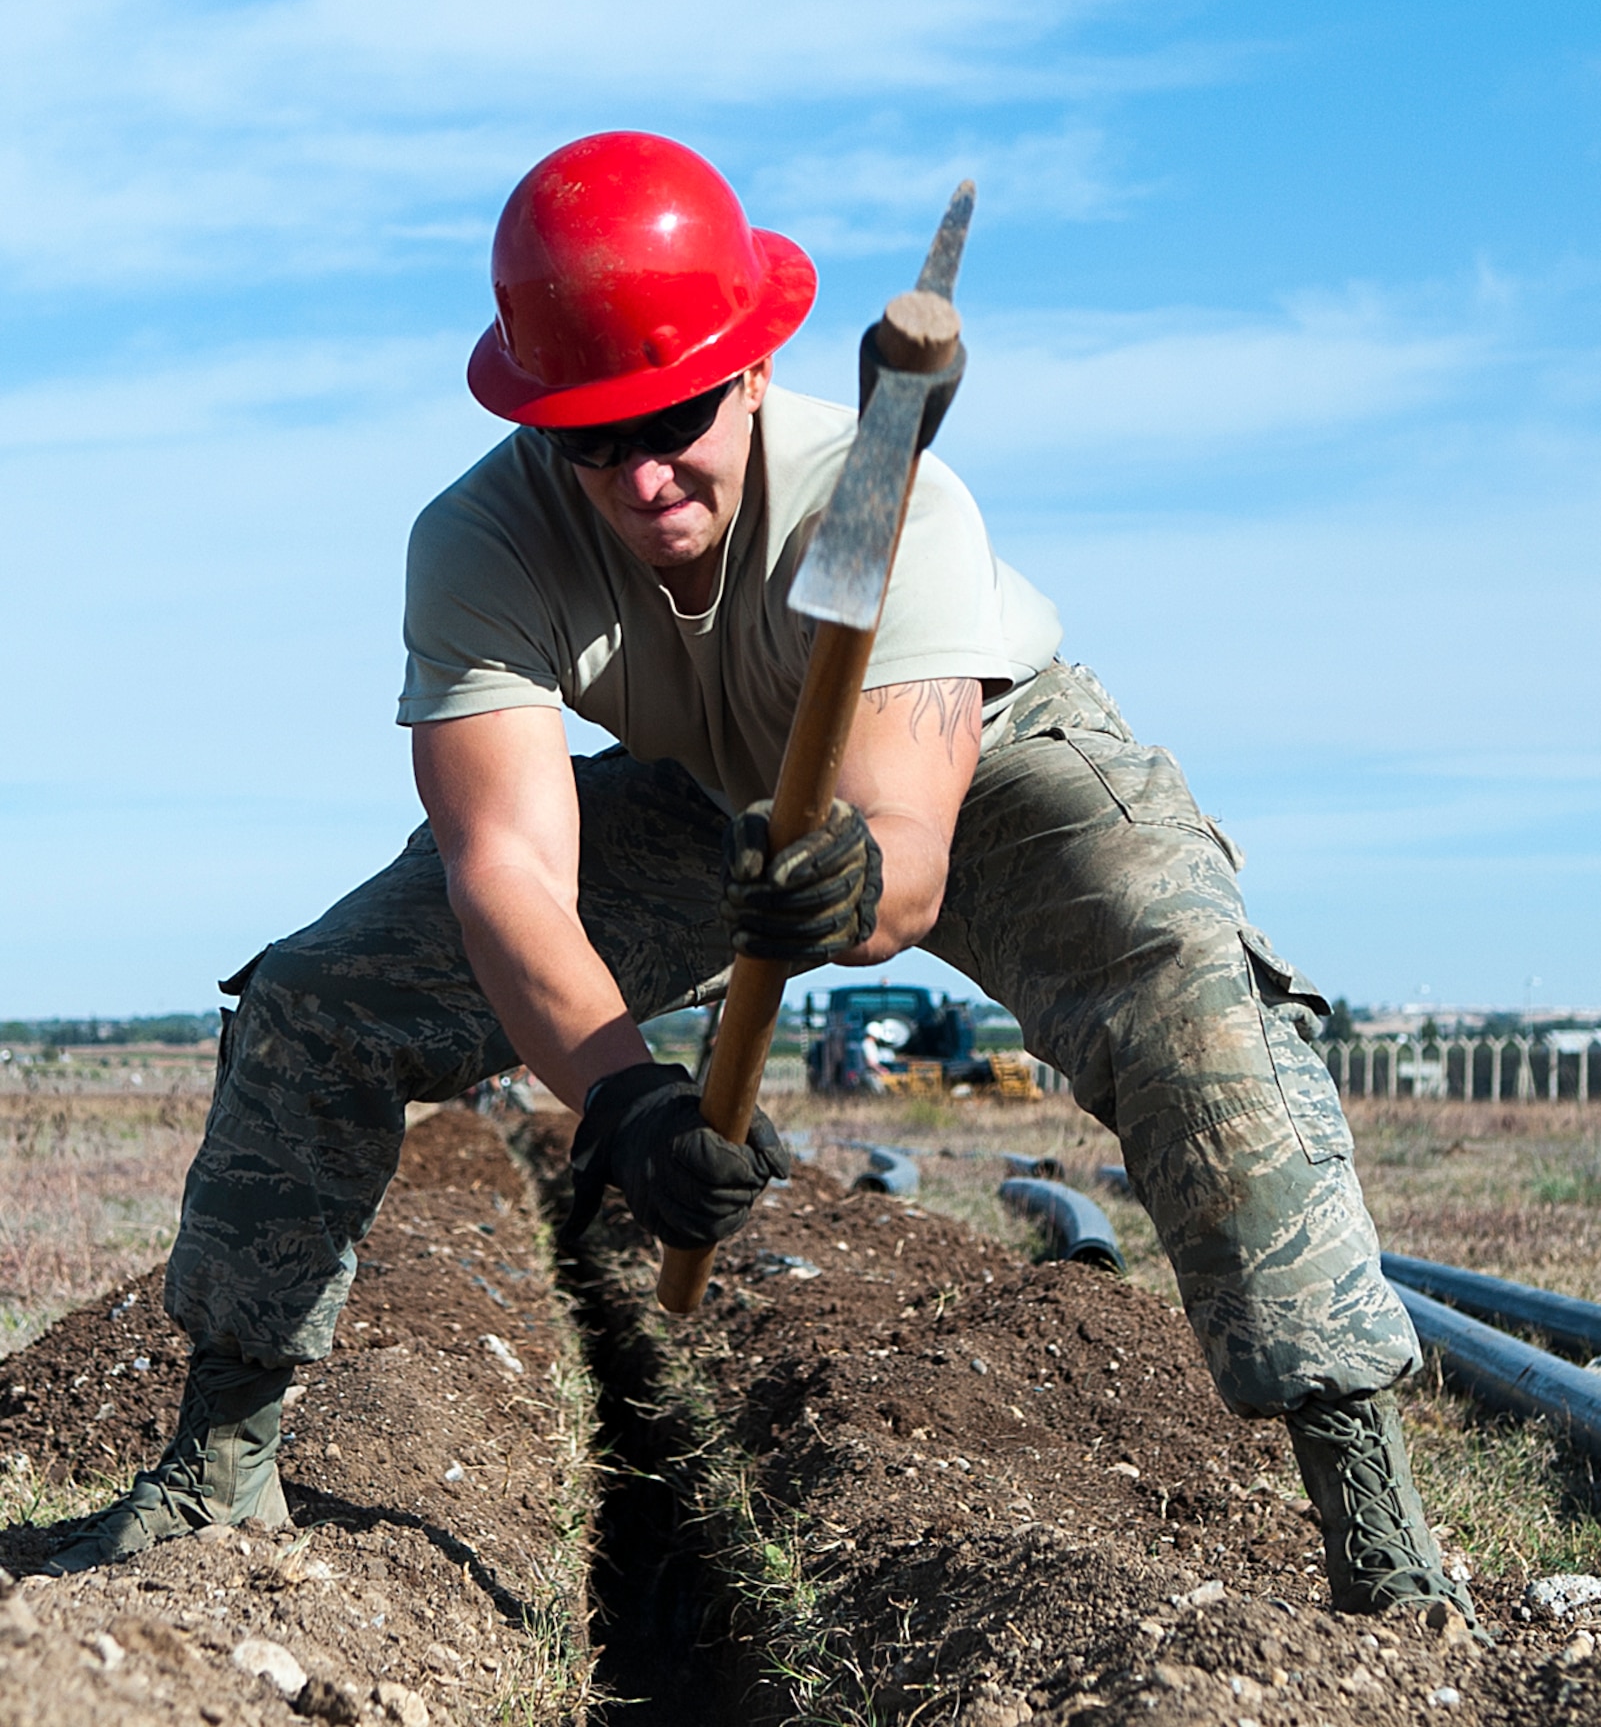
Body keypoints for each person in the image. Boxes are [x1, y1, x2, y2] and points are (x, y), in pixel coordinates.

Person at [44, 132, 1473, 1628]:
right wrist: (621, 1096)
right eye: (594, 441)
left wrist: (852, 887)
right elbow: (507, 867)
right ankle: (218, 1470)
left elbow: (910, 855)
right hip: (705, 784)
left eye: (672, 421)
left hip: (975, 759)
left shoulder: (895, 503)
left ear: (744, 372)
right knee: (320, 999)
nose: (643, 474)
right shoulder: (476, 540)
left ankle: (1371, 1531)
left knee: (1187, 994)